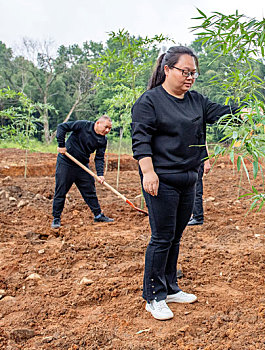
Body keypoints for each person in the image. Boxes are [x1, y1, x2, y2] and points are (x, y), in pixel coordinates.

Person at [131, 46, 241, 321]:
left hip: (189, 178)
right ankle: (153, 295)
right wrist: (148, 172)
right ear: (167, 70)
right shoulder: (150, 102)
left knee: (176, 236)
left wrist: (251, 111)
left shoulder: (196, 101)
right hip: (162, 180)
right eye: (186, 72)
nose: (191, 77)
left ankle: (169, 287)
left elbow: (224, 113)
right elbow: (141, 140)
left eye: (194, 73)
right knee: (161, 237)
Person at [51, 116, 115, 229]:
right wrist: (61, 144)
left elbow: (99, 158)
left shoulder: (102, 140)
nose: (107, 131)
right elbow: (62, 127)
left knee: (89, 189)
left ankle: (98, 215)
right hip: (66, 162)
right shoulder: (83, 125)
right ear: (98, 123)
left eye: (110, 129)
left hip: (82, 165)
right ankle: (56, 218)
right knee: (61, 190)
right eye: (106, 127)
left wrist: (100, 174)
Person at [187, 143, 211, 226]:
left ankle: (198, 217)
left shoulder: (197, 130)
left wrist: (206, 162)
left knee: (196, 189)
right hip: (190, 161)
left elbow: (203, 143)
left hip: (197, 161)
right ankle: (194, 215)